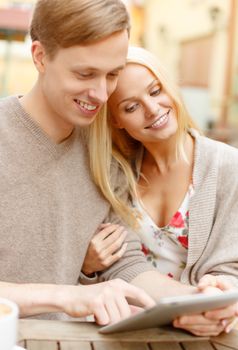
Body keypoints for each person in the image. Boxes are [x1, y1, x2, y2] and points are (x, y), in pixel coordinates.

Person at [0, 0, 201, 325]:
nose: (100, 93)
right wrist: (64, 295)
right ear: (40, 57)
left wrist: (196, 301)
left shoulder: (106, 151)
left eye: (112, 75)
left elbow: (125, 265)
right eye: (85, 73)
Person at [82, 46, 238, 335]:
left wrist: (211, 299)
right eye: (131, 107)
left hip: (209, 326)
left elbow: (232, 267)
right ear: (116, 120)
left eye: (155, 91)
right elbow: (117, 265)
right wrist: (88, 269)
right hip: (133, 330)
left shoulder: (229, 167)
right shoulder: (116, 175)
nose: (152, 109)